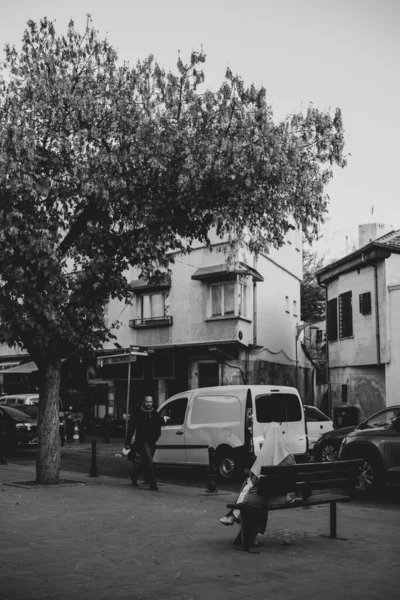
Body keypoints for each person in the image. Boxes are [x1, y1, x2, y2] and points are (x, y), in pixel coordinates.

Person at [220, 422, 296, 547]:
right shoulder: (290, 456)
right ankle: (236, 520)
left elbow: (254, 479)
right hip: (283, 498)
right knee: (258, 495)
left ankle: (239, 522)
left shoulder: (264, 456)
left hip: (266, 498)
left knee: (252, 494)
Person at [124, 395, 163, 491]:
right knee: (149, 461)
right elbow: (132, 428)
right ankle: (152, 483)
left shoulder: (155, 413)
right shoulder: (138, 413)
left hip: (152, 441)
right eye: (147, 402)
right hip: (142, 440)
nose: (148, 404)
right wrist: (127, 442)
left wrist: (156, 437)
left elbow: (158, 427)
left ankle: (134, 475)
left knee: (145, 462)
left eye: (150, 401)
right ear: (143, 402)